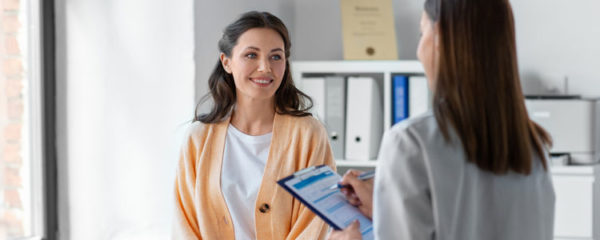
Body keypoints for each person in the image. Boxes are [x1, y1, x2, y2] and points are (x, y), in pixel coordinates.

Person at [329, 0, 555, 239]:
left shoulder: (410, 143)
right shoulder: (533, 145)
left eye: (422, 32)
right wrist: (387, 213)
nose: (418, 49)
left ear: (440, 38)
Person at [173, 11, 335, 240]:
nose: (265, 67)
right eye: (251, 55)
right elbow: (185, 225)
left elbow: (313, 223)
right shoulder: (198, 138)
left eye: (276, 57)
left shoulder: (308, 134)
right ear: (226, 62)